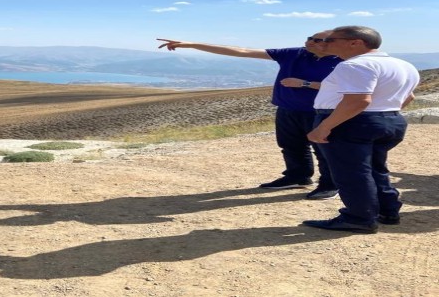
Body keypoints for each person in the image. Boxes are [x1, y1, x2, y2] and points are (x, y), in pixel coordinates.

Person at [157, 31, 342, 199]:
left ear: (330, 43)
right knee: (291, 146)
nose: (309, 42)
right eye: (309, 38)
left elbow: (345, 88)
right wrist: (192, 44)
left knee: (323, 150)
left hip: (321, 112)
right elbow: (242, 51)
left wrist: (305, 84)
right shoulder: (294, 53)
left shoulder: (342, 61)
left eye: (316, 40)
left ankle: (330, 184)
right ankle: (297, 176)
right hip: (287, 109)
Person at [303, 26, 419, 234]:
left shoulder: (354, 65)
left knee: (351, 172)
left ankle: (359, 218)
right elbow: (409, 97)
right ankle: (387, 211)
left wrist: (324, 127)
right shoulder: (404, 65)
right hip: (389, 119)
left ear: (355, 42)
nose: (324, 43)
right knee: (375, 168)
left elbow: (358, 101)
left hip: (352, 122)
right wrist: (382, 116)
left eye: (330, 40)